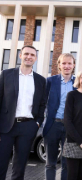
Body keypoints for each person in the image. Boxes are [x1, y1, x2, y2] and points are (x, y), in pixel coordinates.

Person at [0, 45, 46, 180]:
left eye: (32, 55)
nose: (29, 57)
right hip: (6, 127)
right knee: (1, 163)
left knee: (19, 167)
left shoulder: (40, 80)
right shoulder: (6, 74)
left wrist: (37, 123)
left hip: (28, 127)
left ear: (36, 58)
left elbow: (42, 104)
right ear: (20, 55)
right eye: (26, 54)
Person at [43, 53, 76, 180]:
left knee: (66, 163)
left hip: (70, 127)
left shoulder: (78, 82)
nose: (67, 66)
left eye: (69, 63)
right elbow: (43, 102)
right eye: (64, 63)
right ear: (59, 65)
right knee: (50, 163)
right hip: (52, 125)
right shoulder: (50, 81)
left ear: (73, 65)